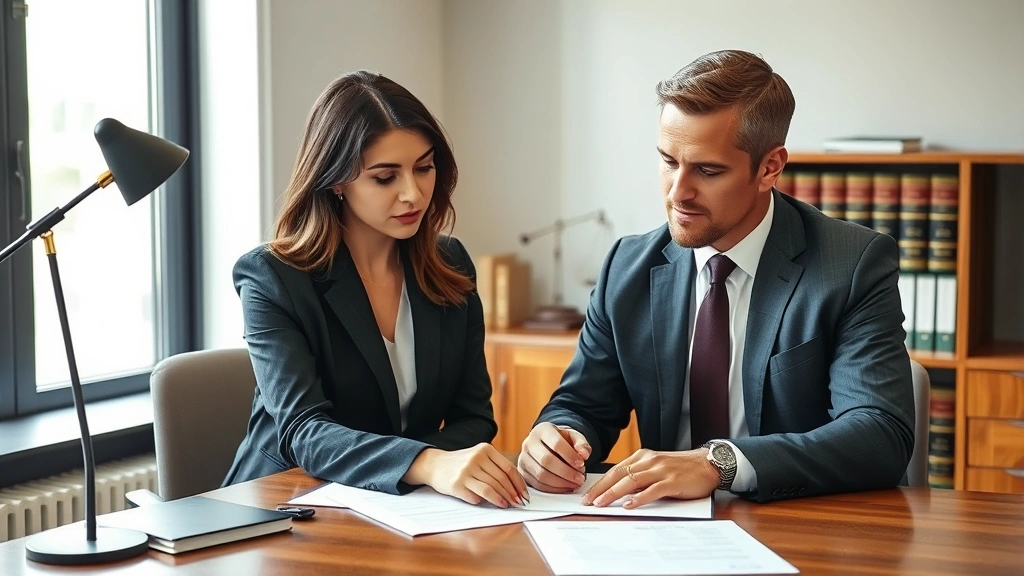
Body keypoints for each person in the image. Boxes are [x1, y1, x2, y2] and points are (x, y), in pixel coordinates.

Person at [518, 50, 914, 506]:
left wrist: (718, 464)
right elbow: (584, 405)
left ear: (770, 167)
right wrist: (558, 441)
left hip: (796, 521)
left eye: (707, 170)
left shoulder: (852, 265)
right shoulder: (627, 267)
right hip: (663, 526)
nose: (678, 192)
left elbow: (880, 434)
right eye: (668, 161)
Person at [223, 71, 528, 509]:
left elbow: (474, 418)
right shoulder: (272, 278)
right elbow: (304, 433)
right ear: (336, 181)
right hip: (284, 506)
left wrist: (426, 469)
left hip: (402, 508)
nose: (413, 194)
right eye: (385, 178)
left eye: (424, 167)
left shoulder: (450, 263)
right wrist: (427, 463)